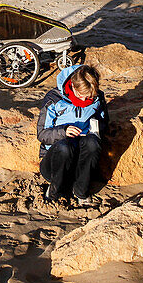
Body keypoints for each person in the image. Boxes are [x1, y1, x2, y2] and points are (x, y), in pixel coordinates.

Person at [36, 64, 107, 205]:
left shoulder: (98, 98)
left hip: (80, 162)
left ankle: (81, 191)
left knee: (93, 143)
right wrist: (63, 131)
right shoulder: (54, 98)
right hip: (54, 162)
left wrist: (94, 130)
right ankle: (54, 192)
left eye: (89, 97)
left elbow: (103, 121)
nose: (84, 100)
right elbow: (42, 133)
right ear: (73, 87)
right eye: (81, 96)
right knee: (64, 147)